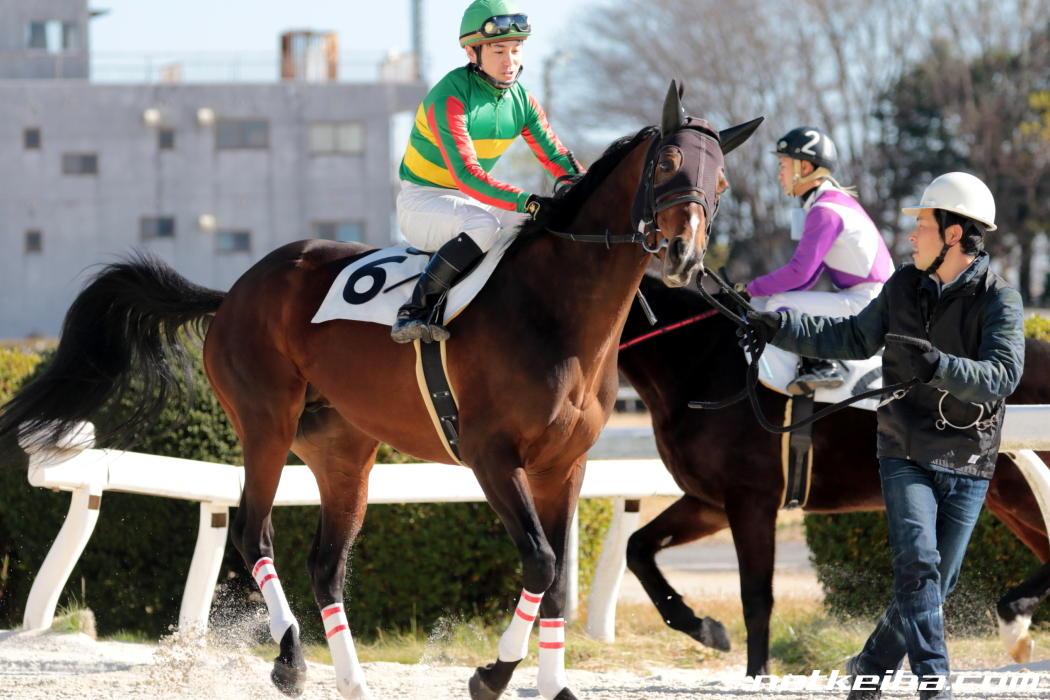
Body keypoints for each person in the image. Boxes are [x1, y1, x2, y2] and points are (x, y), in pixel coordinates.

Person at [740, 172, 1026, 699]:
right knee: (918, 567)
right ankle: (934, 686)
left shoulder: (1000, 301)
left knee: (936, 584)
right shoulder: (900, 286)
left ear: (954, 234)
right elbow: (853, 336)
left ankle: (868, 667)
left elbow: (1002, 377)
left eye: (922, 225)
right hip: (904, 450)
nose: (911, 235)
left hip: (968, 459)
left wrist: (938, 365)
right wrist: (781, 328)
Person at [390, 0, 582, 344]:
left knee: (536, 227)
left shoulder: (522, 100)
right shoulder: (449, 97)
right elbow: (467, 176)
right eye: (498, 51)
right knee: (485, 224)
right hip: (423, 202)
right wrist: (528, 200)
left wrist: (587, 187)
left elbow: (556, 156)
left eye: (516, 49)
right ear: (472, 52)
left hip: (470, 201)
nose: (510, 62)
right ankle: (415, 310)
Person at [746, 126, 894, 394]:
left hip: (869, 301)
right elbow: (808, 277)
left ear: (804, 167)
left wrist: (750, 288)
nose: (779, 174)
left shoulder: (825, 210)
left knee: (778, 303)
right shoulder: (825, 204)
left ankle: (825, 366)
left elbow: (799, 273)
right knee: (775, 301)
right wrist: (757, 293)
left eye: (783, 165)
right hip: (870, 298)